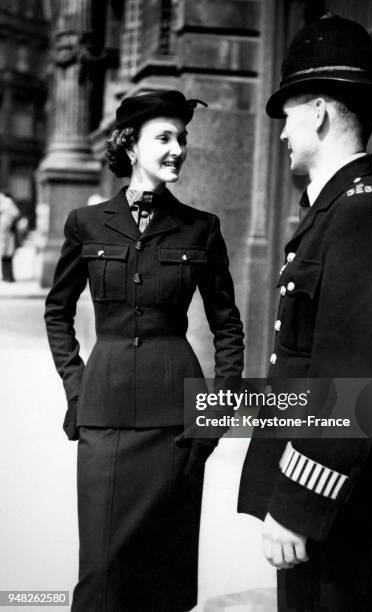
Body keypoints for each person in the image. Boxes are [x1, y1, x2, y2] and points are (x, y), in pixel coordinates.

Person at [238, 14, 372, 612]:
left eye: (289, 114)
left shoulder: (365, 217)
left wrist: (297, 504)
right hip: (319, 486)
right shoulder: (335, 212)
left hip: (331, 498)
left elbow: (355, 383)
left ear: (317, 112)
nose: (283, 132)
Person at [45, 90, 244, 612]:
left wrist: (216, 414)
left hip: (177, 422)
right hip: (105, 413)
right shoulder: (85, 224)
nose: (178, 148)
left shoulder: (201, 228)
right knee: (101, 574)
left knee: (166, 574)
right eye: (165, 137)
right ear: (130, 146)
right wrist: (76, 388)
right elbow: (57, 311)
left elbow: (228, 326)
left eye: (183, 138)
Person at [0, 192, 20, 282]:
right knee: (6, 256)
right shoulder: (6, 204)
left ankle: (8, 277)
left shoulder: (6, 203)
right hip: (6, 234)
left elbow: (14, 214)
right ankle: (6, 276)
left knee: (7, 256)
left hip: (7, 234)